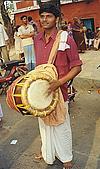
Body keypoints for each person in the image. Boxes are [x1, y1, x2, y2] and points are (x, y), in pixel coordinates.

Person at [34, 3, 82, 169]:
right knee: (44, 125)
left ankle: (66, 157)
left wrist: (59, 83)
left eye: (49, 16)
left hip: (60, 90)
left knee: (61, 125)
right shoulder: (37, 39)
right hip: (43, 91)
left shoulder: (65, 39)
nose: (45, 19)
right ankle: (48, 152)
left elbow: (77, 66)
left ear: (56, 19)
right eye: (42, 16)